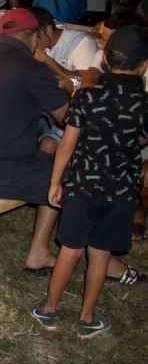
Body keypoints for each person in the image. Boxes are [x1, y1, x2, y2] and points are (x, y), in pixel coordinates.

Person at [31, 25, 148, 338]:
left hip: (83, 185)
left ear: (105, 59)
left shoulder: (87, 96)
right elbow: (140, 140)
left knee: (70, 250)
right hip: (120, 191)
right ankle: (86, 318)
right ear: (144, 65)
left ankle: (49, 309)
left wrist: (55, 182)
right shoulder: (144, 104)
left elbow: (66, 145)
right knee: (100, 254)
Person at [0, 8, 70, 273]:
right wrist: (67, 90)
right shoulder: (34, 70)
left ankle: (40, 251)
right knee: (65, 174)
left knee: (46, 156)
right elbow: (69, 120)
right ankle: (40, 253)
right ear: (35, 36)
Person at [32, 7, 102, 89]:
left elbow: (85, 82)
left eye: (33, 36)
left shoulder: (83, 42)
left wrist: (49, 61)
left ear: (48, 30)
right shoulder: (42, 45)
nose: (30, 42)